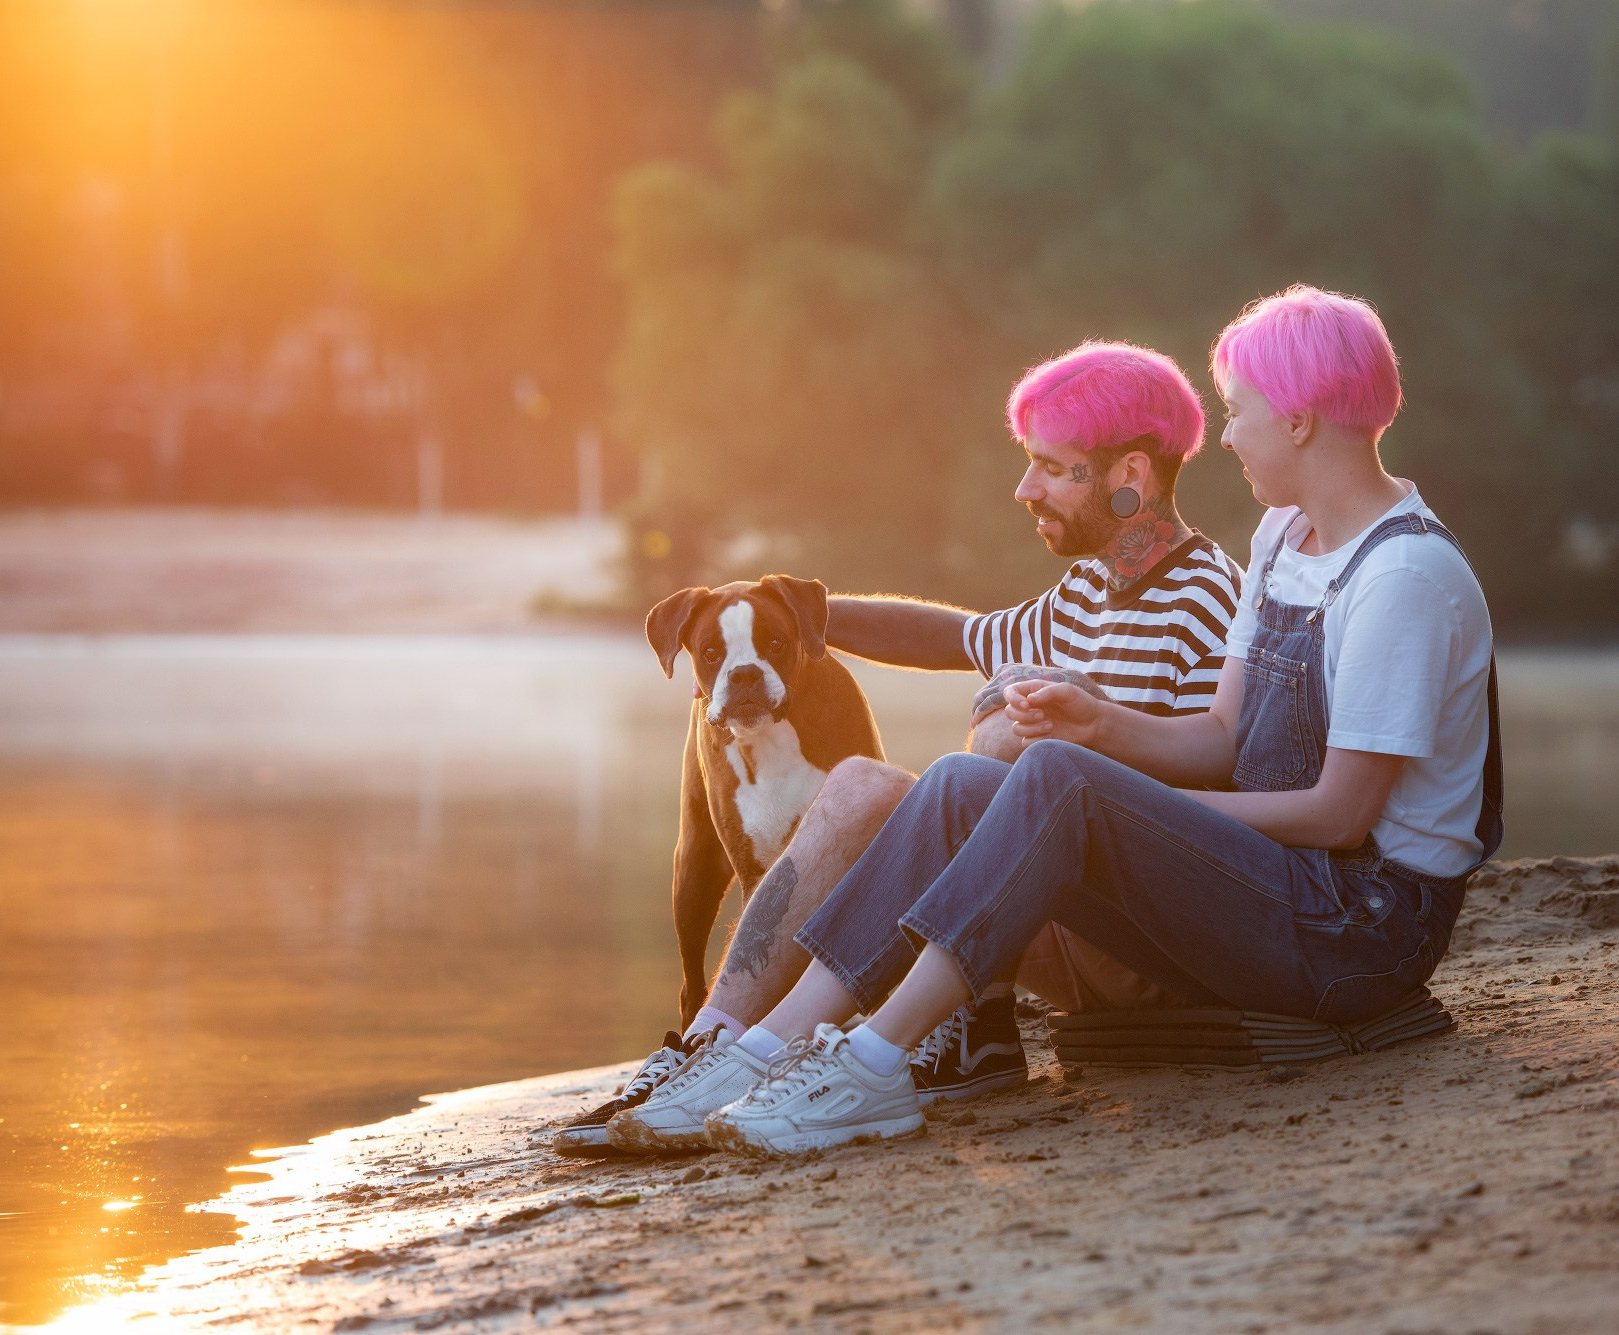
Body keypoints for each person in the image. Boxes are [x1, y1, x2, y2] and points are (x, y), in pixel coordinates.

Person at [699, 284, 1505, 1156]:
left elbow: (1341, 815)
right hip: (1284, 882)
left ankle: (872, 1058)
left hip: (1364, 924)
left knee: (1048, 778)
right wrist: (1097, 727)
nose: (1226, 434)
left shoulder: (1402, 580)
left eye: (1240, 411)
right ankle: (764, 1046)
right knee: (968, 778)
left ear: (1301, 418)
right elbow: (1221, 738)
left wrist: (1108, 794)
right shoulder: (1283, 537)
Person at [551, 341, 1244, 1153]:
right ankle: (710, 1044)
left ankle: (855, 1042)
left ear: (1128, 475)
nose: (1025, 489)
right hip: (1055, 916)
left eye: (1053, 468)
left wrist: (1071, 734)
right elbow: (955, 634)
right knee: (859, 786)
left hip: (1146, 947)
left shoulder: (1206, 600)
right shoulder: (1090, 589)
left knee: (999, 728)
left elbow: (1212, 809)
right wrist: (789, 615)